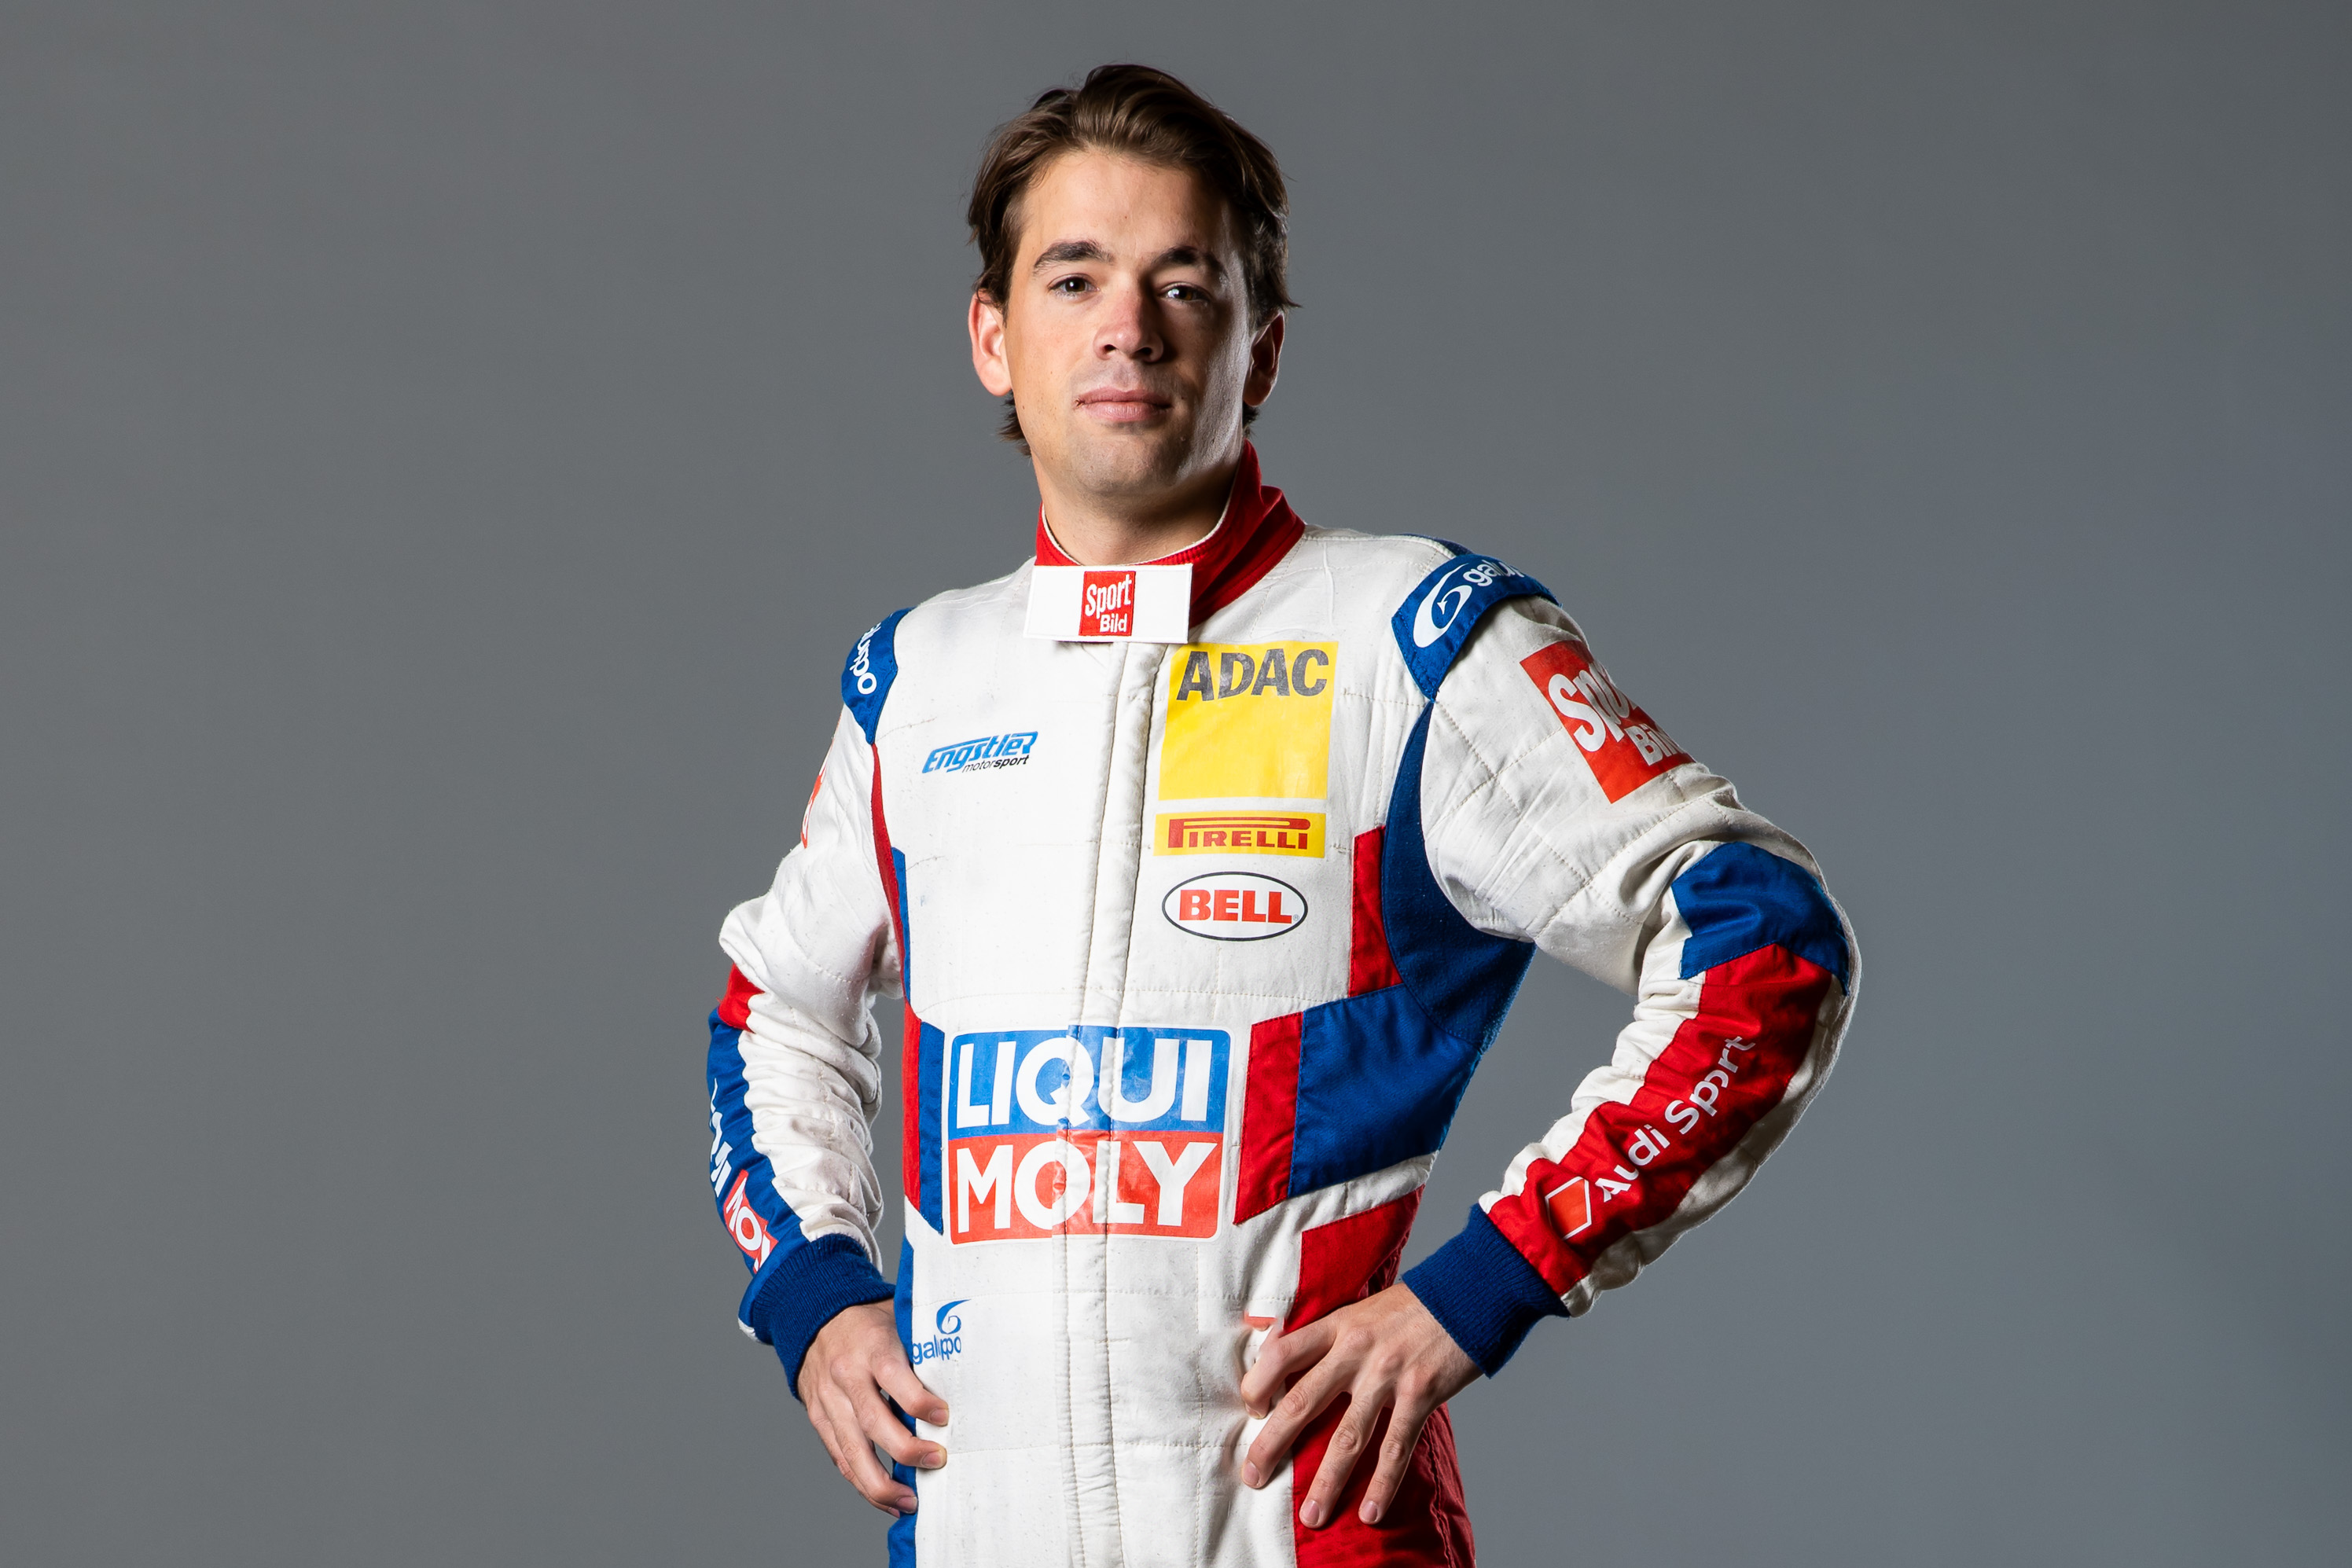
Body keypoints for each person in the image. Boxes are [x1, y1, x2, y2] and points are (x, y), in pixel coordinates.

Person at [702, 63, 1858, 1568]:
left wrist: (1488, 1284)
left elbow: (1766, 947)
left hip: (1309, 1536)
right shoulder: (914, 682)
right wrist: (812, 1297)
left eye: (1185, 284)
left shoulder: (1413, 641)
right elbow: (773, 1013)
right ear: (994, 338)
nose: (1128, 327)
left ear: (1261, 348)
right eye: (1074, 279)